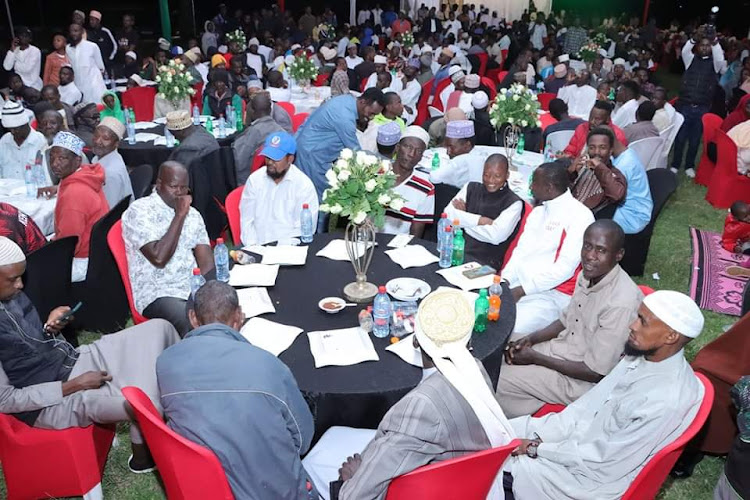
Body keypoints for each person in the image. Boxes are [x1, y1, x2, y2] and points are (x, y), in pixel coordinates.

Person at [303, 289, 515, 499]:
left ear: (415, 340)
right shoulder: (476, 369)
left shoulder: (422, 406)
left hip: (421, 486)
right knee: (334, 436)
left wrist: (350, 479)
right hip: (466, 479)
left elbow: (355, 495)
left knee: (313, 460)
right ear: (468, 342)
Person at [0, 236, 180, 473]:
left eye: (21, 277)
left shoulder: (10, 293)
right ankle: (143, 458)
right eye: (13, 279)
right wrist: (74, 386)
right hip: (49, 402)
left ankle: (182, 393)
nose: (21, 285)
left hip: (69, 362)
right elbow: (6, 400)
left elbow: (27, 347)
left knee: (160, 328)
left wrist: (51, 327)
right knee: (145, 405)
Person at [504, 290, 706, 500]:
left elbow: (604, 462)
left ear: (671, 336)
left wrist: (536, 448)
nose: (632, 326)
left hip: (587, 479)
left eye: (642, 322)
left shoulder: (664, 400)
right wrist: (535, 434)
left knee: (497, 471)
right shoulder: (641, 356)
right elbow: (584, 409)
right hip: (575, 443)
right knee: (495, 431)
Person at [156, 280, 316, 498]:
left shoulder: (166, 362)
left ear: (193, 318)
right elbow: (303, 439)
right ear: (239, 316)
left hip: (201, 484)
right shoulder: (269, 365)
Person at [498, 219, 641, 417]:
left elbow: (595, 372)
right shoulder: (589, 274)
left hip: (579, 381)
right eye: (587, 246)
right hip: (562, 348)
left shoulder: (620, 303)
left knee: (498, 378)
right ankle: (523, 400)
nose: (590, 256)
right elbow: (566, 320)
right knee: (499, 349)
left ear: (619, 255)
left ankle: (516, 423)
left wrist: (535, 358)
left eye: (601, 250)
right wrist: (531, 339)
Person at [121, 161, 214, 336]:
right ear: (158, 184)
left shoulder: (193, 215)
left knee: (226, 309)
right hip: (157, 292)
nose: (179, 193)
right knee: (193, 322)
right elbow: (159, 257)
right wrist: (179, 215)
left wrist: (210, 293)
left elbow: (207, 263)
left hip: (191, 286)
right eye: (174, 187)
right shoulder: (139, 211)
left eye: (184, 188)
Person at [502, 162, 595, 337]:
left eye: (534, 182)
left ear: (549, 188)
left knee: (509, 325)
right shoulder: (538, 213)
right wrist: (505, 280)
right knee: (482, 311)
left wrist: (521, 291)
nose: (530, 186)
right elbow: (520, 252)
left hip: (553, 295)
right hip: (519, 285)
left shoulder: (580, 217)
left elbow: (565, 270)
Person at [296, 88, 385, 199]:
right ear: (363, 102)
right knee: (319, 197)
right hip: (312, 155)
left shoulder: (346, 99)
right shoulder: (345, 118)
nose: (371, 118)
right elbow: (355, 151)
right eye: (371, 113)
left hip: (310, 148)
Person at [444, 154, 523, 269]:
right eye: (486, 175)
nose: (491, 180)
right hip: (455, 251)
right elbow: (447, 215)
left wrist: (463, 220)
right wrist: (480, 220)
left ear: (507, 175)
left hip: (485, 263)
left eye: (497, 176)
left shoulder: (514, 203)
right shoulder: (470, 187)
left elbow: (496, 236)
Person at [240, 131, 318, 246]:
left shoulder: (303, 186)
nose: (270, 162)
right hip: (258, 247)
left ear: (290, 159)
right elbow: (247, 221)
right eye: (268, 157)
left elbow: (304, 230)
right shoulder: (254, 180)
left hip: (290, 249)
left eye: (276, 158)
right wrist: (254, 248)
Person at [50, 132, 108, 279]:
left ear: (77, 160)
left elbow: (68, 244)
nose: (55, 163)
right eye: (52, 157)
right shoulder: (85, 175)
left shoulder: (74, 194)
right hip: (97, 252)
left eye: (62, 158)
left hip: (83, 260)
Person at [671, 28, 725, 178]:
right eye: (702, 45)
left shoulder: (715, 64)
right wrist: (694, 38)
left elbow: (720, 58)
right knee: (680, 137)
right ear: (698, 46)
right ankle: (675, 164)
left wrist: (715, 42)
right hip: (685, 105)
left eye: (707, 46)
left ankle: (689, 165)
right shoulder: (690, 60)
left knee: (695, 140)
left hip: (702, 107)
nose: (704, 47)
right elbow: (685, 51)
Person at [382, 126, 434, 238]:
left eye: (419, 151)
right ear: (397, 148)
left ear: (422, 157)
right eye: (408, 147)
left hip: (397, 247)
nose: (412, 154)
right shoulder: (376, 173)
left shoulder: (426, 188)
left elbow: (416, 232)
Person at [567, 128, 627, 214]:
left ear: (610, 151)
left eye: (602, 148)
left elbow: (616, 195)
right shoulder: (582, 168)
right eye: (592, 148)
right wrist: (571, 173)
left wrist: (599, 167)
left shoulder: (614, 174)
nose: (596, 152)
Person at [232, 92, 284, 185]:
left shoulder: (254, 133)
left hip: (249, 181)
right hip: (274, 178)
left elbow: (238, 161)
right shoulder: (280, 130)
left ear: (252, 110)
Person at [611, 132, 654, 234]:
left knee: (590, 217)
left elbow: (611, 196)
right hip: (635, 208)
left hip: (632, 217)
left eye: (601, 148)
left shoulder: (623, 166)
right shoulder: (627, 152)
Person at [0, 101, 49, 184]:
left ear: (25, 124)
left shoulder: (39, 140)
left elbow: (46, 175)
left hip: (31, 191)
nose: (13, 132)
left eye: (16, 129)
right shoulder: (4, 141)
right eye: (10, 129)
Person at [430, 120, 488, 188]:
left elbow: (434, 177)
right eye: (447, 147)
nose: (448, 152)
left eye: (451, 147)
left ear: (467, 145)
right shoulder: (480, 152)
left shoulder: (461, 160)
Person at [91, 117, 134, 207]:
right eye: (96, 136)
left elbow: (109, 210)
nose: (98, 141)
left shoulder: (110, 174)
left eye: (105, 138)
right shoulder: (98, 158)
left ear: (116, 144)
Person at [563, 101, 628, 157]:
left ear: (607, 119)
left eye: (597, 119)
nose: (592, 121)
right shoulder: (581, 128)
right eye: (591, 117)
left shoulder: (617, 135)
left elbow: (617, 160)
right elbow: (570, 151)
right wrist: (566, 156)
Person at [66, 23, 107, 104]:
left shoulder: (92, 46)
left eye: (76, 31)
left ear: (82, 32)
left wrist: (97, 83)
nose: (73, 33)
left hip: (94, 84)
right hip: (78, 84)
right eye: (71, 31)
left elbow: (101, 67)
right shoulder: (68, 48)